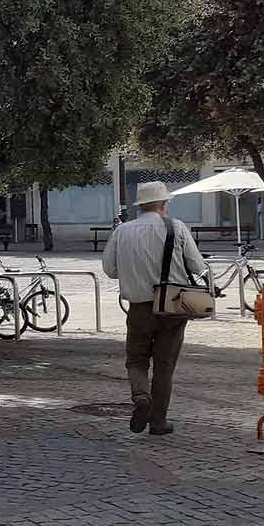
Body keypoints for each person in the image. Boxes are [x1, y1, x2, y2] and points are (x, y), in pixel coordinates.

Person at [101, 181, 210, 438]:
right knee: (164, 366)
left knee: (136, 359)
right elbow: (197, 266)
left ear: (140, 205)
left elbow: (109, 270)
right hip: (173, 306)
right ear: (164, 204)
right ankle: (158, 422)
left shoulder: (122, 231)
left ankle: (141, 396)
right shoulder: (176, 227)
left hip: (139, 307)